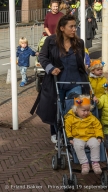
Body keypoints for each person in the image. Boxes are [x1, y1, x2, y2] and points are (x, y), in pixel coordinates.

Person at [30, 14, 89, 148]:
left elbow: (81, 61)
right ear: (62, 28)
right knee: (57, 111)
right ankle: (58, 135)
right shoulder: (50, 41)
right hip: (57, 83)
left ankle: (72, 139)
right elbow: (43, 57)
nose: (75, 29)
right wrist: (51, 68)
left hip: (76, 83)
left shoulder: (79, 43)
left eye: (75, 26)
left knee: (75, 111)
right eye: (71, 26)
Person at [65, 95, 103, 175]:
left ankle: (95, 163)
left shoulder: (92, 118)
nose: (86, 113)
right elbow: (68, 128)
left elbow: (97, 127)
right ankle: (84, 164)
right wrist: (70, 138)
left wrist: (99, 136)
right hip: (77, 137)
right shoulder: (70, 118)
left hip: (90, 137)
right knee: (77, 145)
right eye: (83, 110)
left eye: (88, 110)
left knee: (96, 143)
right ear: (76, 110)